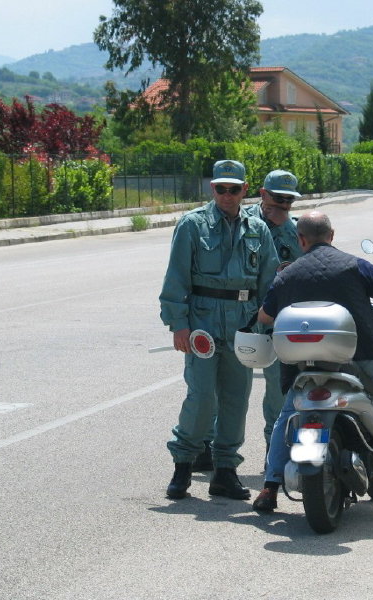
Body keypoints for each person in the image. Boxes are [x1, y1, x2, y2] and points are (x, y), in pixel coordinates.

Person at [251, 210, 373, 512]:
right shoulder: (355, 265)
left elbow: (265, 316)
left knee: (287, 414)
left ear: (301, 240)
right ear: (332, 235)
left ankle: (269, 487)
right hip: (361, 356)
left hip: (305, 365)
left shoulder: (286, 275)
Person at [159, 159, 279, 500]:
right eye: (221, 188)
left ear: (244, 190)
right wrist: (178, 325)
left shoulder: (257, 229)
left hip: (243, 322)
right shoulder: (192, 225)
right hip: (203, 323)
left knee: (235, 399)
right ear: (213, 188)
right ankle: (183, 465)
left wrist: (268, 323)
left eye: (234, 189)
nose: (227, 195)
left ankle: (225, 470)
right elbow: (176, 278)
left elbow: (269, 281)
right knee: (201, 398)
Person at [191, 169, 303, 472]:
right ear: (262, 194)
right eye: (277, 198)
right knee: (223, 385)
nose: (282, 205)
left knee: (279, 388)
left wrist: (287, 228)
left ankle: (274, 449)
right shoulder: (242, 220)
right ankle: (207, 445)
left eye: (288, 200)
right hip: (240, 313)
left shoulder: (296, 229)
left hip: (278, 318)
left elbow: (309, 262)